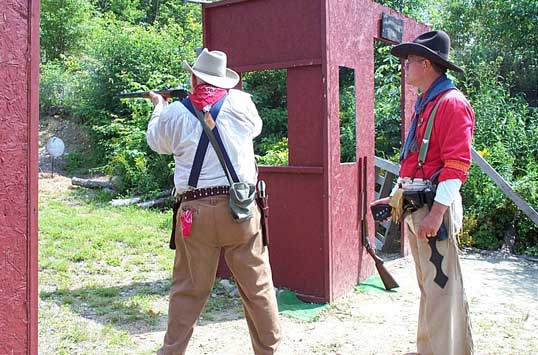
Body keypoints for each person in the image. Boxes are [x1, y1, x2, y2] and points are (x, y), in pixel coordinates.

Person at [146, 48, 281, 355]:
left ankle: (172, 352)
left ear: (194, 77)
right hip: (241, 208)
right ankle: (269, 351)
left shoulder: (176, 113)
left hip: (195, 211)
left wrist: (158, 106)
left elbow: (156, 142)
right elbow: (255, 129)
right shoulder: (243, 104)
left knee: (188, 290)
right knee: (258, 287)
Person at [371, 31, 474, 355]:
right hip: (421, 207)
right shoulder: (429, 101)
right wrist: (397, 197)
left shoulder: (451, 103)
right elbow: (418, 163)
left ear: (426, 63)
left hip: (433, 211)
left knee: (442, 292)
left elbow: (456, 166)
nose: (405, 66)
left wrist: (436, 213)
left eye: (409, 60)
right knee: (430, 290)